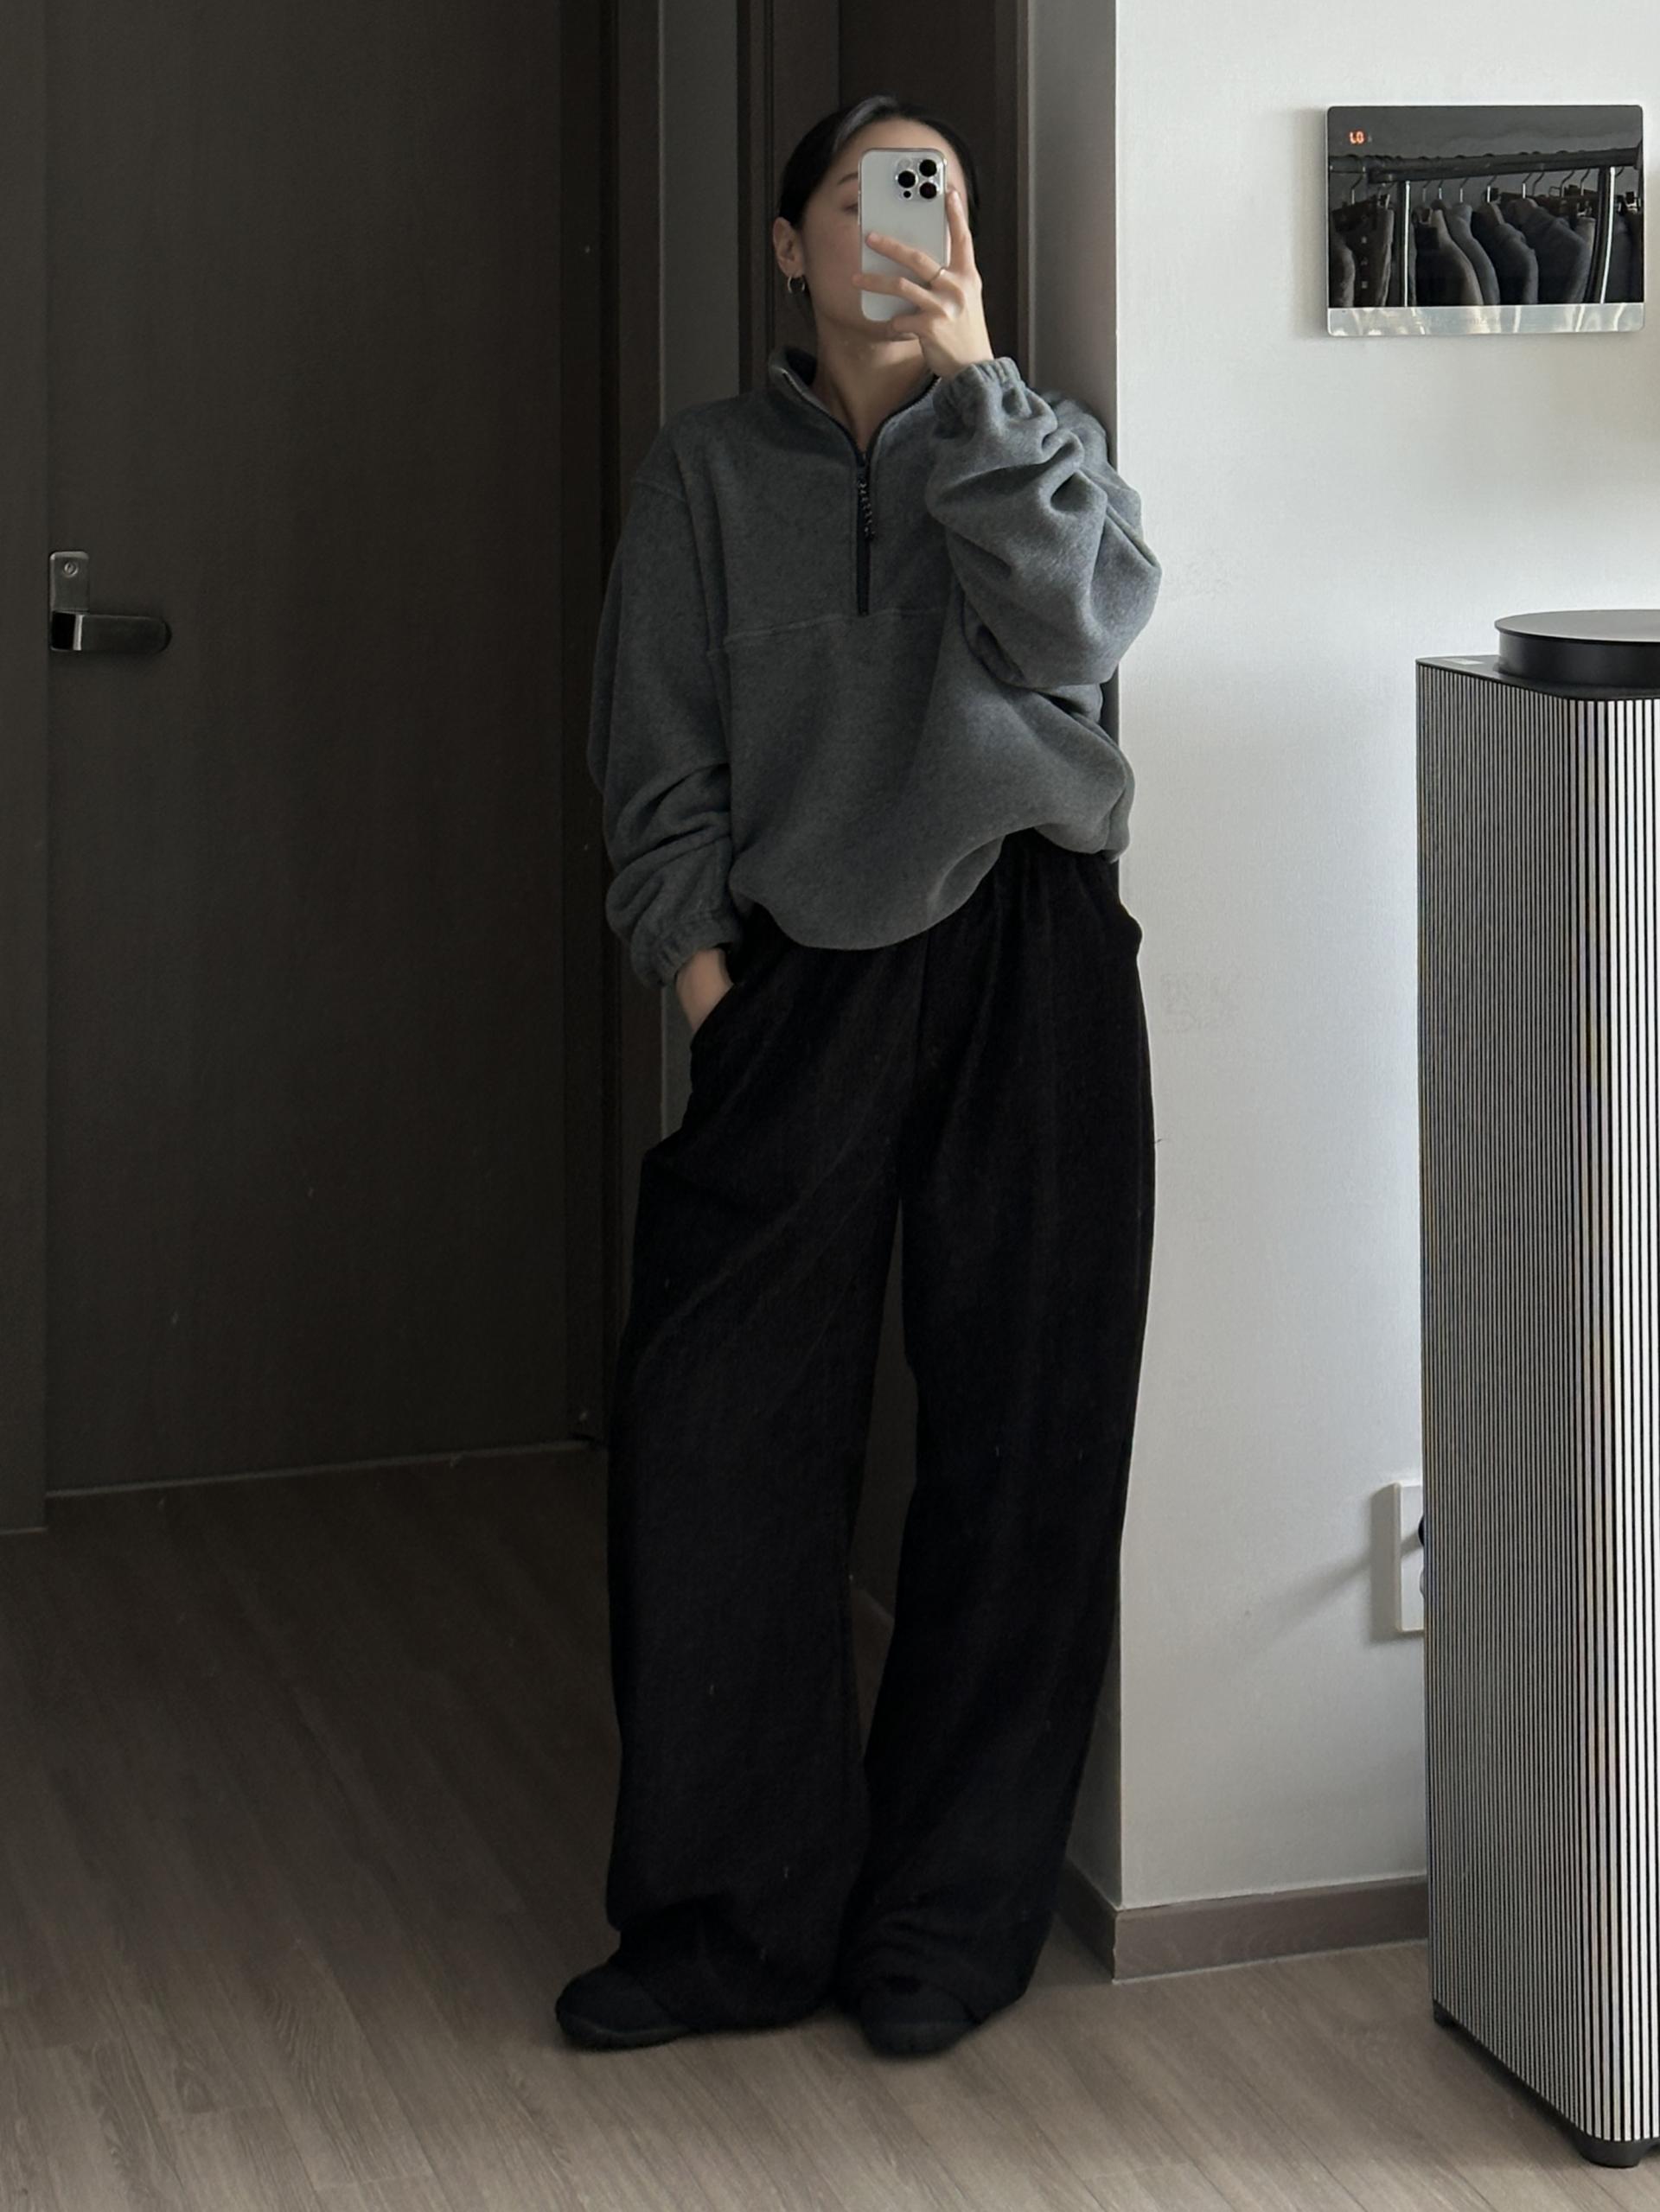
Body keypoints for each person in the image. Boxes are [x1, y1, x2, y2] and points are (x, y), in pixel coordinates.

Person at [559, 90, 1161, 2060]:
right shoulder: (707, 472)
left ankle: (946, 1923)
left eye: (940, 197)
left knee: (1025, 1441)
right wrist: (712, 992)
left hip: (1032, 954)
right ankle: (727, 1929)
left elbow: (1084, 628)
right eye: (867, 194)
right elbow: (656, 760)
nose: (909, 226)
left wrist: (978, 395)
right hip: (799, 975)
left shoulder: (1041, 442)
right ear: (788, 245)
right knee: (716, 1433)